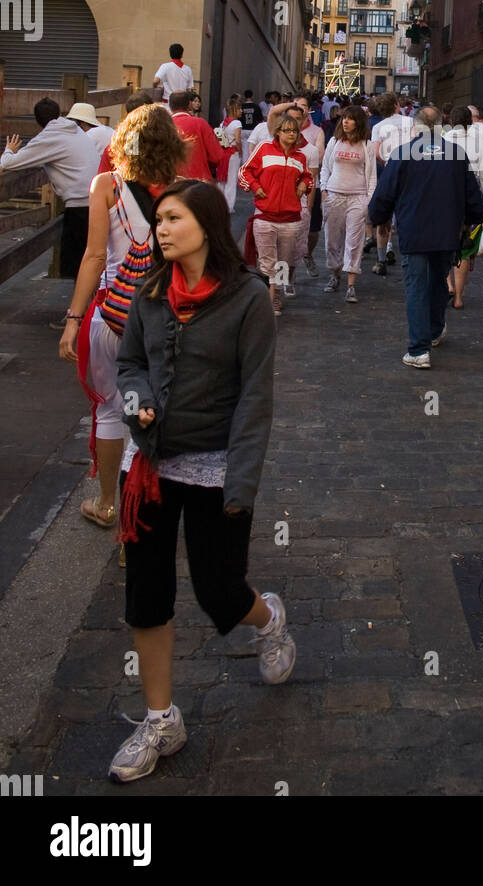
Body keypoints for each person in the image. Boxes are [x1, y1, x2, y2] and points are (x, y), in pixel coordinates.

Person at [108, 179, 294, 784]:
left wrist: (241, 485)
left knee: (219, 591)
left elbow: (255, 399)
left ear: (206, 225)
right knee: (147, 593)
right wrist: (136, 402)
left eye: (172, 219)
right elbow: (130, 362)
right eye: (158, 219)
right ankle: (161, 717)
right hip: (152, 470)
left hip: (216, 468)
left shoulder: (248, 299)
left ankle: (267, 619)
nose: (160, 229)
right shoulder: (151, 290)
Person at [59, 104, 188, 530]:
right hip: (163, 319)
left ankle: (109, 504)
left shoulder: (105, 186)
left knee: (114, 411)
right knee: (150, 412)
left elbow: (94, 257)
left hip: (112, 316)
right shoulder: (184, 190)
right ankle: (142, 517)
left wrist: (73, 319)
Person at [368, 105, 483, 367]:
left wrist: (377, 217)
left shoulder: (404, 153)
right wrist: (474, 219)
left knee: (417, 287)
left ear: (415, 127)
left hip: (414, 230)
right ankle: (433, 329)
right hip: (447, 232)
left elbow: (385, 193)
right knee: (437, 283)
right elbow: (472, 194)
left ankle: (419, 348)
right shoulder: (456, 154)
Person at [1, 97, 99, 280]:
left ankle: (75, 307)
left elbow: (9, 163)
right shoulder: (74, 130)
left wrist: (9, 150)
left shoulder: (50, 137)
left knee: (72, 265)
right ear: (59, 113)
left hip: (80, 207)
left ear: (38, 121)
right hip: (96, 201)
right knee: (90, 260)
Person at [238, 114, 313, 313]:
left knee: (283, 262)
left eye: (294, 131)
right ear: (278, 132)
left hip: (290, 219)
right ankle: (268, 299)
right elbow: (245, 171)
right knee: (266, 260)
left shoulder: (300, 157)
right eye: (286, 130)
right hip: (265, 215)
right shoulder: (264, 149)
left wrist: (305, 183)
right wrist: (255, 187)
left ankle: (276, 294)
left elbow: (308, 176)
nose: (291, 134)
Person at [320, 105, 377, 302]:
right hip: (334, 195)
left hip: (357, 198)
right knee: (332, 241)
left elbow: (372, 177)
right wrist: (323, 191)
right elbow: (325, 168)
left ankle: (351, 284)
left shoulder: (367, 145)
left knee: (354, 242)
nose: (345, 121)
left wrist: (367, 201)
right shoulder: (334, 141)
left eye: (350, 118)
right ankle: (334, 274)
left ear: (358, 122)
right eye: (344, 118)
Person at [443, 105, 483, 309]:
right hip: (472, 197)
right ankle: (459, 297)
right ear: (470, 121)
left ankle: (448, 284)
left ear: (451, 121)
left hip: (448, 197)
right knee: (465, 247)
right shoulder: (481, 138)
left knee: (444, 242)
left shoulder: (446, 139)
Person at [370, 92, 415, 275]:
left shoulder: (378, 127)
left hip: (390, 170)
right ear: (397, 104)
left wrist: (387, 162)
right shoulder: (410, 122)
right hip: (411, 170)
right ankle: (409, 257)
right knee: (409, 215)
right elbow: (416, 144)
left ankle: (381, 260)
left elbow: (376, 153)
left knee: (383, 217)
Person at [292, 95, 325, 277]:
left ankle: (308, 254)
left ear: (308, 110)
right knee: (288, 236)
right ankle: (287, 279)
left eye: (303, 106)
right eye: (295, 105)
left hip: (312, 186)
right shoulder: (281, 132)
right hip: (288, 188)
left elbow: (319, 157)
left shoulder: (316, 132)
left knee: (312, 231)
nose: (299, 109)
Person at [168, 91, 224, 182]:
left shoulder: (164, 125)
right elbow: (217, 155)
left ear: (170, 106)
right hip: (199, 179)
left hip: (171, 180)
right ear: (189, 105)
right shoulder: (200, 123)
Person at [215, 96, 243, 213]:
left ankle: (219, 203)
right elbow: (237, 140)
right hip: (232, 154)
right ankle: (228, 206)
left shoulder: (223, 123)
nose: (241, 111)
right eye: (240, 109)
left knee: (221, 180)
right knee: (231, 180)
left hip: (223, 152)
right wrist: (240, 151)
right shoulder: (237, 123)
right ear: (235, 109)